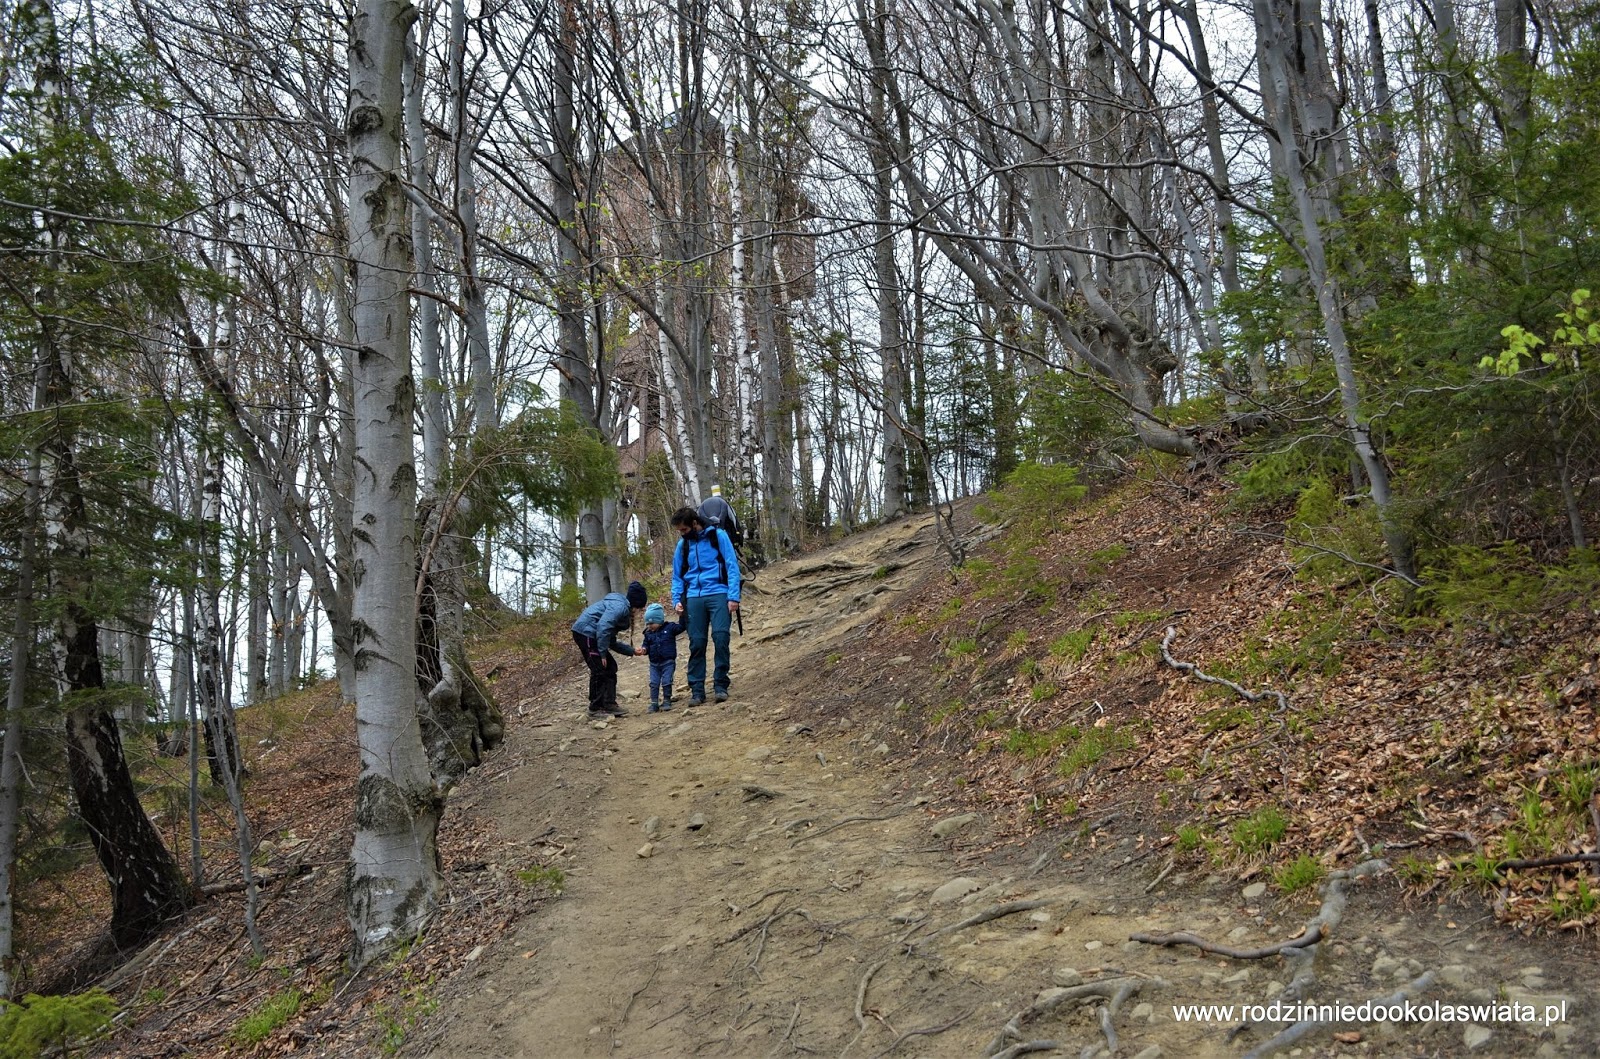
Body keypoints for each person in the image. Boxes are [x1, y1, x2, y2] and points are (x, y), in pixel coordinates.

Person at [670, 505, 741, 705]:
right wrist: (676, 600)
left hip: (719, 592)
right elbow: (677, 576)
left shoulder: (718, 536)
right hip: (693, 597)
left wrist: (733, 596)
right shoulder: (682, 545)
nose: (682, 534)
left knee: (721, 638)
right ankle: (697, 691)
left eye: (684, 530)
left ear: (694, 523)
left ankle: (720, 685)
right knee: (697, 643)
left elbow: (731, 565)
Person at [570, 580, 647, 719]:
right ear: (635, 604)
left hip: (592, 635)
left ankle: (609, 703)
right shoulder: (620, 607)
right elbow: (603, 627)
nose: (639, 612)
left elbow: (610, 640)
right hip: (586, 633)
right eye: (640, 609)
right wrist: (602, 653)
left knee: (610, 667)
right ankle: (595, 708)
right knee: (599, 668)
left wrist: (631, 651)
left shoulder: (620, 608)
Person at [640, 602, 685, 712]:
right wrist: (644, 649)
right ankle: (654, 703)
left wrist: (682, 616)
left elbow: (682, 627)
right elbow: (646, 644)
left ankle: (666, 700)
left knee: (666, 681)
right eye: (648, 624)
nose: (650, 626)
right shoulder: (648, 633)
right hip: (654, 663)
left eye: (652, 623)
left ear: (659, 620)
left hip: (668, 662)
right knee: (654, 682)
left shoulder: (669, 628)